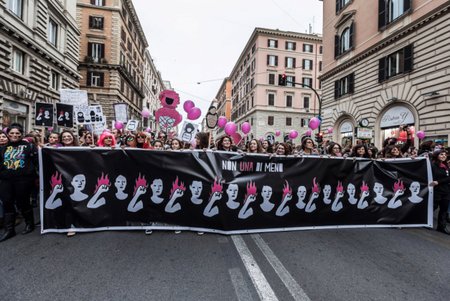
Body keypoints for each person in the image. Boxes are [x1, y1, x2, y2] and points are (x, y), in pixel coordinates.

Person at [0, 123, 39, 242]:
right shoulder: (3, 148)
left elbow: (37, 162)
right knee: (7, 203)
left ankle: (29, 224)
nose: (14, 135)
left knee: (23, 202)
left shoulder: (29, 147)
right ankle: (9, 230)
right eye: (12, 133)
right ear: (8, 134)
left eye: (17, 133)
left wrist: (35, 177)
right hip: (6, 181)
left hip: (23, 181)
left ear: (21, 134)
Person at [429, 149, 450, 234]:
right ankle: (425, 222)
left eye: (445, 155)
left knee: (444, 209)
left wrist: (439, 182)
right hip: (436, 191)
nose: (444, 156)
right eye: (441, 154)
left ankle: (441, 227)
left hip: (446, 191)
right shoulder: (432, 165)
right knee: (432, 207)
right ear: (436, 155)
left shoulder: (446, 166)